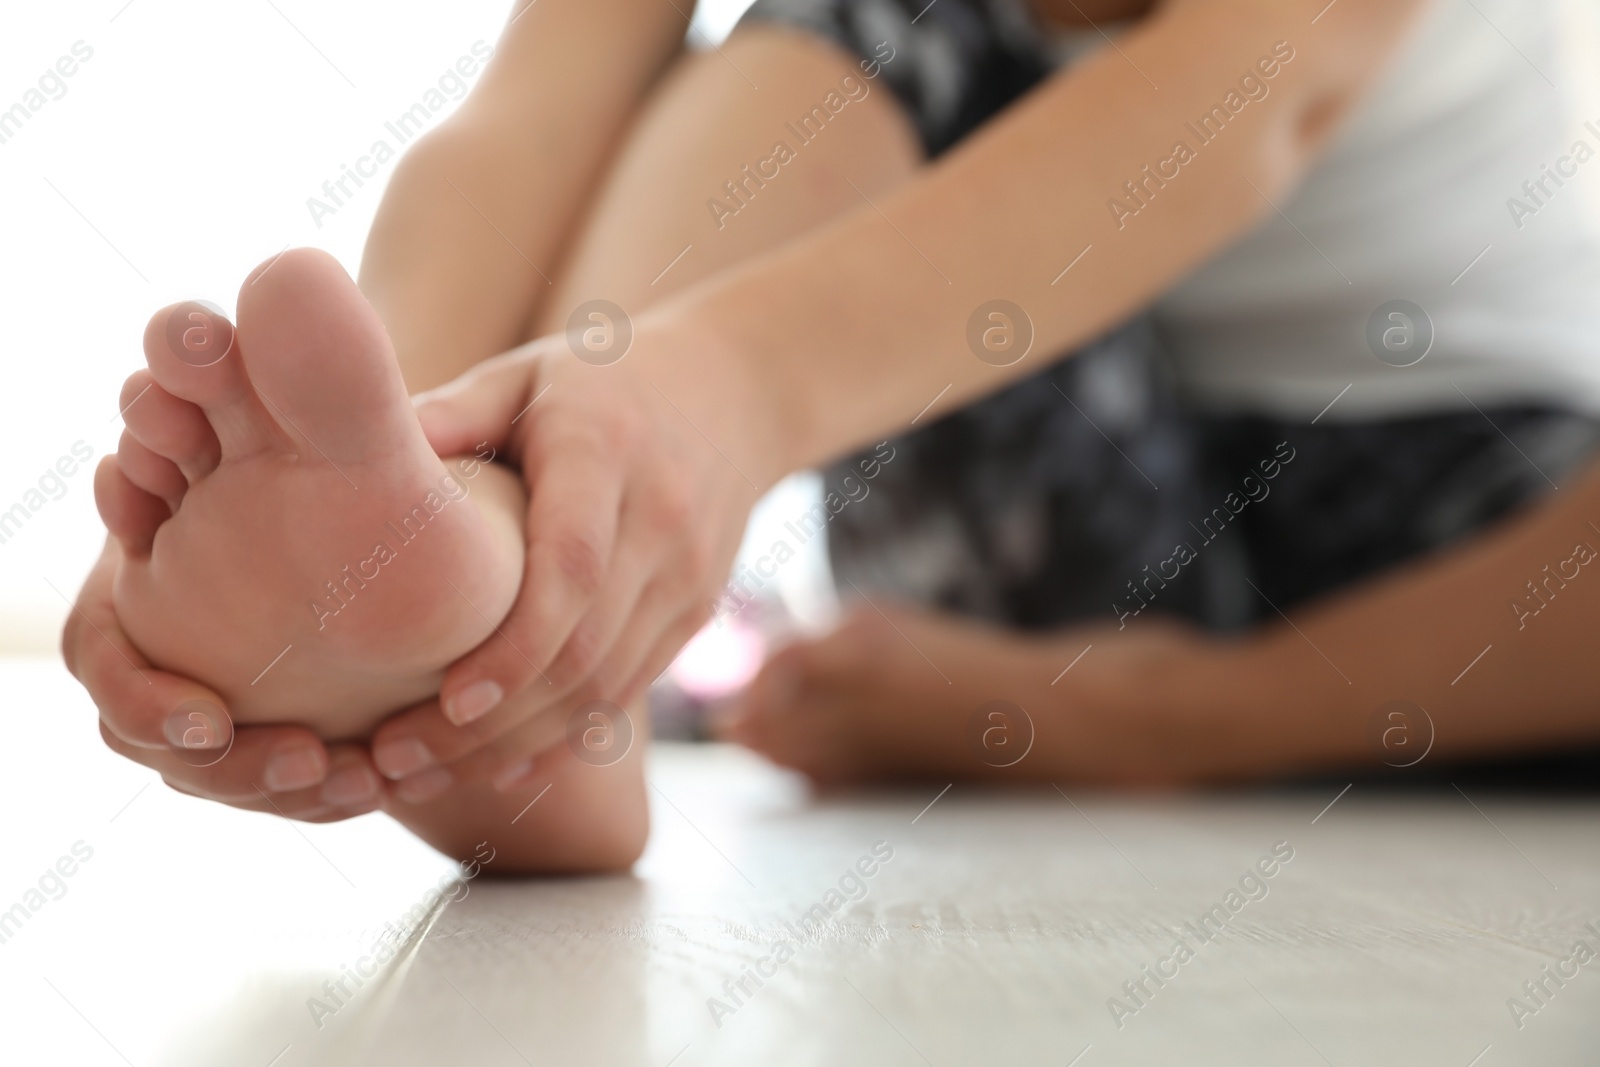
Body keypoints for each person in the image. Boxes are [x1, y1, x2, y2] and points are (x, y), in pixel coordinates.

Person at [65, 0, 1600, 871]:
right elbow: (533, 115)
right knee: (843, 21)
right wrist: (375, 449)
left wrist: (1131, 720)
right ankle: (509, 572)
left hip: (1475, 538)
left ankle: (550, 603)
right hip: (1058, 520)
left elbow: (1255, 97)